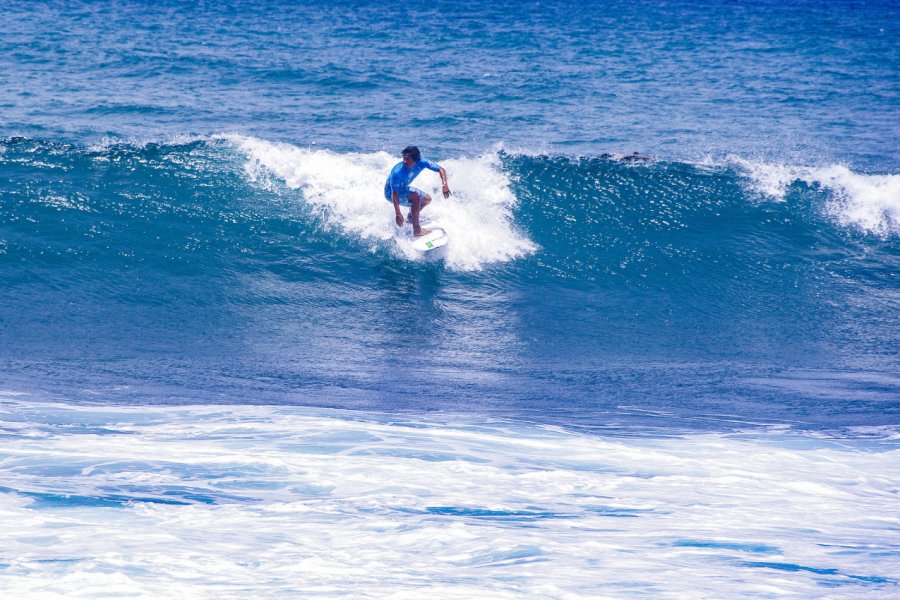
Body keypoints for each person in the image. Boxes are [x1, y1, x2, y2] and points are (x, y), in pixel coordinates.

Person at [384, 146, 450, 237]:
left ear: (415, 160)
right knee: (416, 198)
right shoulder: (397, 172)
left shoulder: (422, 162)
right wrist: (398, 214)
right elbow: (394, 194)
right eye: (404, 158)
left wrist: (444, 184)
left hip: (403, 188)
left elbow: (441, 169)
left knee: (427, 199)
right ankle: (417, 230)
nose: (404, 161)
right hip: (390, 192)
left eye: (407, 159)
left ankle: (411, 218)